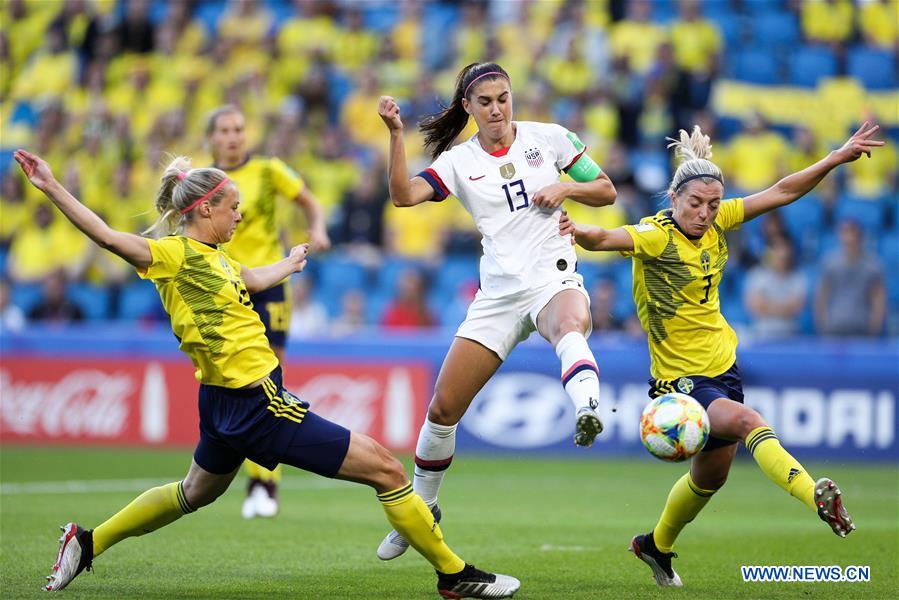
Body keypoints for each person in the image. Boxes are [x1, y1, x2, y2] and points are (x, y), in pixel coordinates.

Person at [14, 149, 519, 599]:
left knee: (194, 492)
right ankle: (454, 575)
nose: (241, 214)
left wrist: (290, 262)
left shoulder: (217, 259)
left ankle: (87, 541)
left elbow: (250, 279)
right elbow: (106, 236)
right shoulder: (174, 255)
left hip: (222, 404)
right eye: (233, 206)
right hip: (257, 403)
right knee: (387, 469)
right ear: (205, 208)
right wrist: (53, 185)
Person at [560, 122, 883, 586]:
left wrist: (833, 158)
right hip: (682, 381)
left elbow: (782, 190)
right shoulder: (656, 236)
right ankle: (815, 494)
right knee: (750, 422)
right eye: (695, 203)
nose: (706, 213)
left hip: (724, 367)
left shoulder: (720, 222)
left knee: (710, 479)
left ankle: (655, 545)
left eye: (713, 204)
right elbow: (605, 238)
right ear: (674, 199)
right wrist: (575, 229)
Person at [375, 62, 617, 560]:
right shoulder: (458, 163)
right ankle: (422, 509)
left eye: (504, 98)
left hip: (552, 276)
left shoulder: (550, 139)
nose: (497, 109)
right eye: (485, 102)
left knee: (570, 324)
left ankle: (588, 407)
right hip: (498, 297)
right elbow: (402, 197)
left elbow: (606, 190)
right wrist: (397, 135)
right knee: (443, 410)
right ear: (468, 107)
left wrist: (567, 187)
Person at [206, 104, 331, 519]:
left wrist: (318, 228)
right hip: (226, 288)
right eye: (225, 129)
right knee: (235, 384)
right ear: (212, 137)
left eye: (239, 127)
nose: (233, 136)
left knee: (271, 380)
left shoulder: (267, 170)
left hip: (270, 285)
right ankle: (254, 480)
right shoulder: (205, 182)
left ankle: (265, 483)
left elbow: (309, 201)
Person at [814, 219, 886, 337]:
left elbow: (878, 300)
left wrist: (874, 330)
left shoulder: (873, 265)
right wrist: (823, 328)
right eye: (845, 232)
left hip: (862, 327)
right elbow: (821, 297)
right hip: (834, 327)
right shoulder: (829, 262)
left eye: (852, 232)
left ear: (860, 236)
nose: (849, 237)